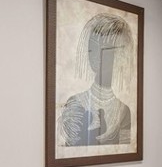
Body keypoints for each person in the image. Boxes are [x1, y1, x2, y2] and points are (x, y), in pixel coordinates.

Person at [58, 12, 135, 146]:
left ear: (120, 55)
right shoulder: (75, 103)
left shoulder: (123, 111)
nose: (96, 56)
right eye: (92, 49)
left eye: (104, 49)